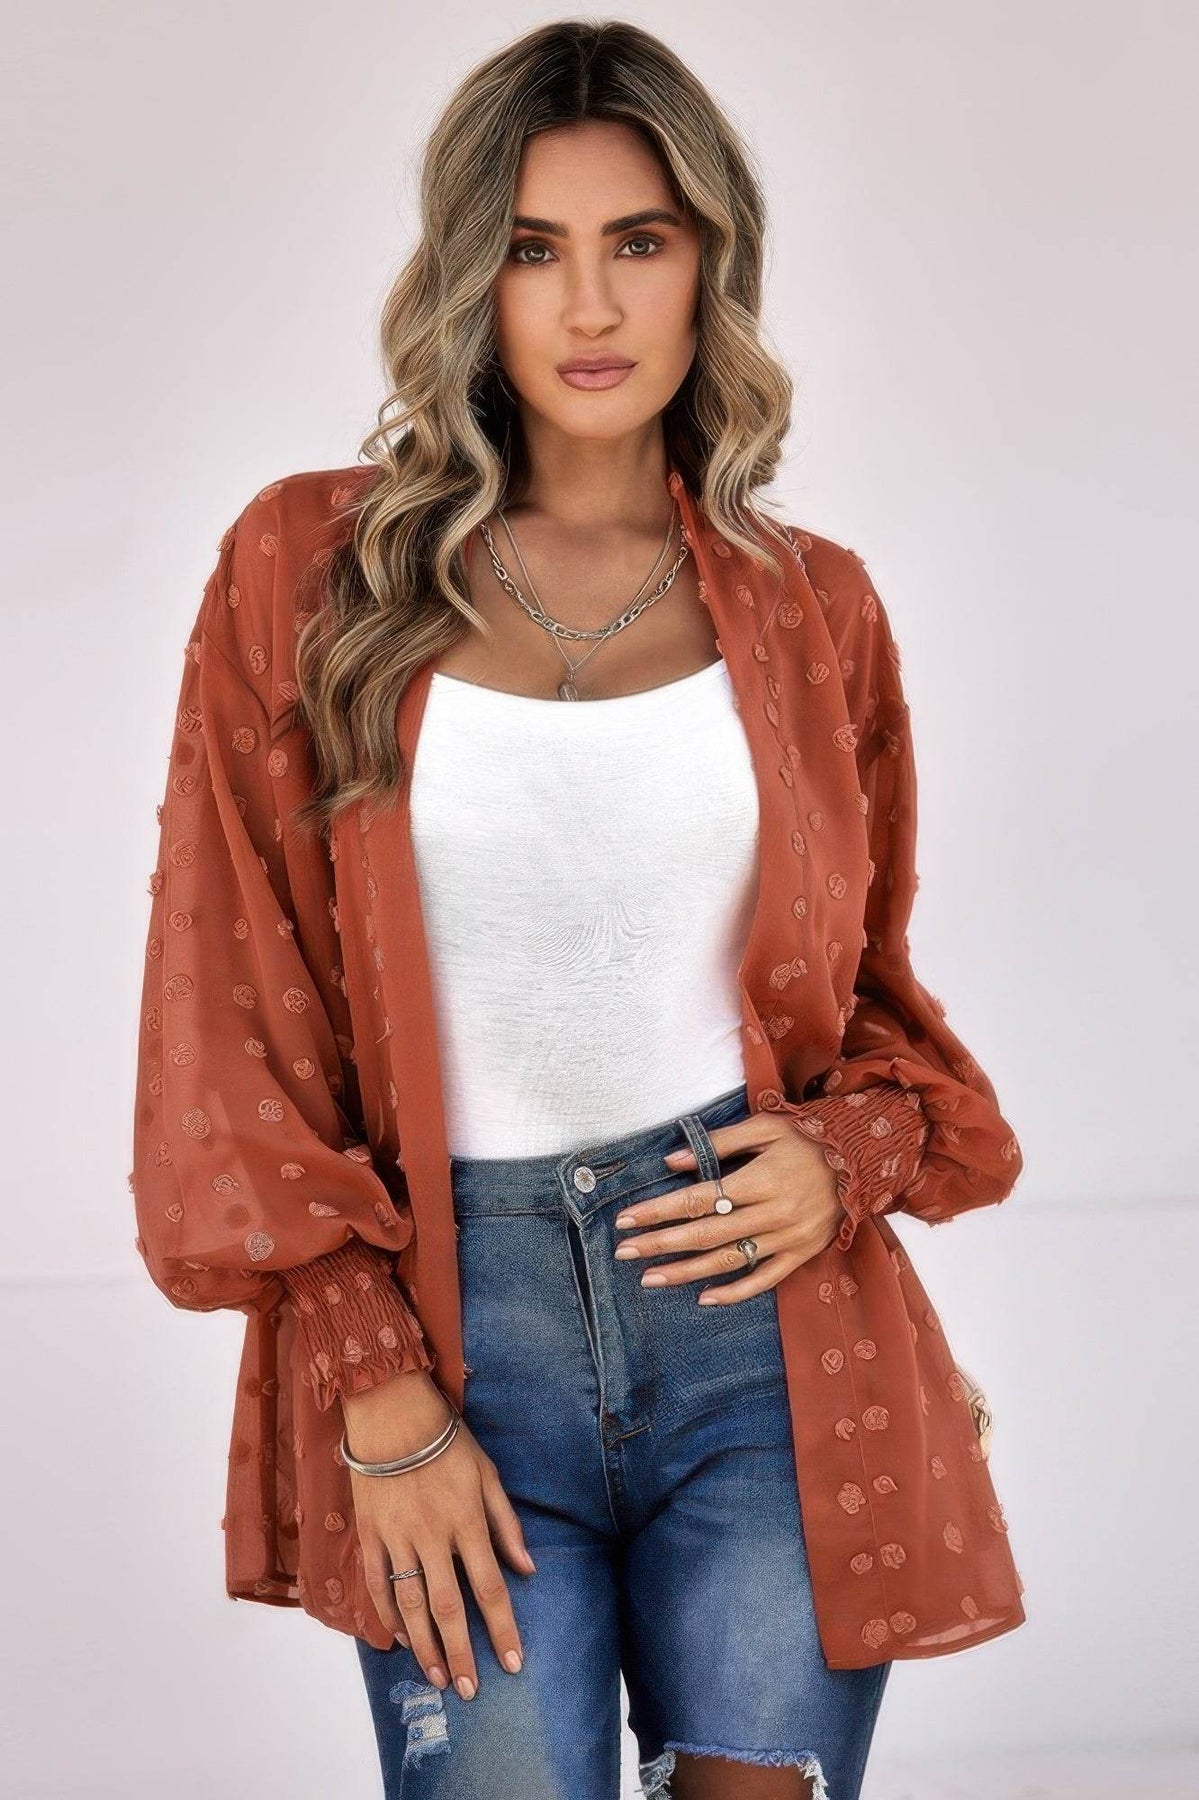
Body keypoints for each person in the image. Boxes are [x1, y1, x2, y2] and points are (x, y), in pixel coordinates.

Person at [130, 20, 1027, 1800]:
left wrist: (842, 1159)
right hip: (464, 1341)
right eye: (535, 248)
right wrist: (376, 1386)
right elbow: (225, 1016)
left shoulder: (814, 609)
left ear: (713, 267)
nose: (592, 304)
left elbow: (871, 1012)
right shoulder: (309, 573)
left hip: (766, 1342)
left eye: (641, 241)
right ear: (472, 276)